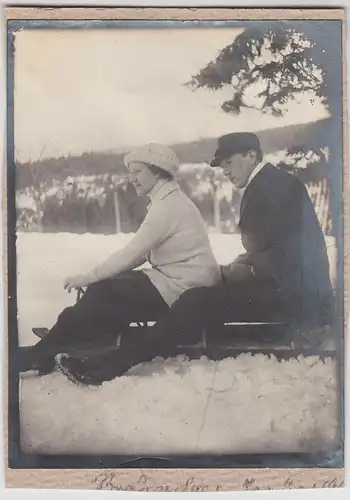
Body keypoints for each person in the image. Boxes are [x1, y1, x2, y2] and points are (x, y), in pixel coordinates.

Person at [55, 132, 334, 386]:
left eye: (228, 162)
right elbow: (272, 247)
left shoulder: (275, 187)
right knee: (198, 298)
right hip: (286, 287)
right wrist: (242, 265)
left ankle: (106, 367)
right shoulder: (269, 184)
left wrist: (245, 271)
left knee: (197, 301)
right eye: (221, 165)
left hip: (295, 296)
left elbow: (290, 254)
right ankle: (102, 350)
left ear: (251, 156)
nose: (224, 171)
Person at [19, 143, 221, 375]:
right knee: (108, 288)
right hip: (178, 280)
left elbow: (131, 253)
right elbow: (141, 255)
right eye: (130, 171)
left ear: (157, 171)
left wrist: (88, 277)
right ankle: (57, 343)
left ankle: (48, 348)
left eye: (137, 171)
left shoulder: (167, 207)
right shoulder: (168, 200)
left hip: (185, 287)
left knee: (104, 291)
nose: (132, 178)